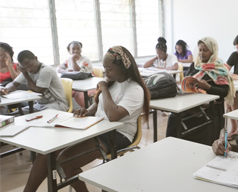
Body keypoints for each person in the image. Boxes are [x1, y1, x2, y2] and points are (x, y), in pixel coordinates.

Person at [23, 46, 150, 192]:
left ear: (123, 68)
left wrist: (104, 88)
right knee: (47, 153)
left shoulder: (134, 89)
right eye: (104, 68)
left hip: (118, 133)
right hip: (97, 127)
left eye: (109, 69)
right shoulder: (113, 81)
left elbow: (113, 116)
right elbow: (97, 105)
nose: (105, 72)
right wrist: (86, 111)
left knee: (65, 161)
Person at [166, 37, 235, 145]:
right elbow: (187, 79)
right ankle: (173, 147)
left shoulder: (219, 68)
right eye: (200, 50)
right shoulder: (196, 65)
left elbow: (224, 92)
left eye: (205, 50)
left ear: (212, 51)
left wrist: (208, 87)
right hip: (192, 105)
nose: (201, 53)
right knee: (174, 117)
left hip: (209, 110)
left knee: (190, 124)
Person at [0, 50, 69, 114]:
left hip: (57, 104)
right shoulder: (26, 70)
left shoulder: (46, 70)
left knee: (42, 117)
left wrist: (25, 74)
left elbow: (38, 91)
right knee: (14, 116)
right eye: (25, 68)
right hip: (39, 105)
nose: (29, 69)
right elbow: (14, 84)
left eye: (30, 66)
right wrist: (6, 89)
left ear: (36, 58)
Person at [58, 41, 94, 108]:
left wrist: (73, 59)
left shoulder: (85, 60)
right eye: (73, 49)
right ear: (69, 51)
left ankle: (90, 112)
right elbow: (59, 68)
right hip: (77, 85)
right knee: (64, 93)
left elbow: (78, 72)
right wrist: (66, 70)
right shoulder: (68, 59)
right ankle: (68, 112)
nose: (76, 51)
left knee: (79, 95)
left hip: (89, 85)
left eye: (78, 49)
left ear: (81, 50)